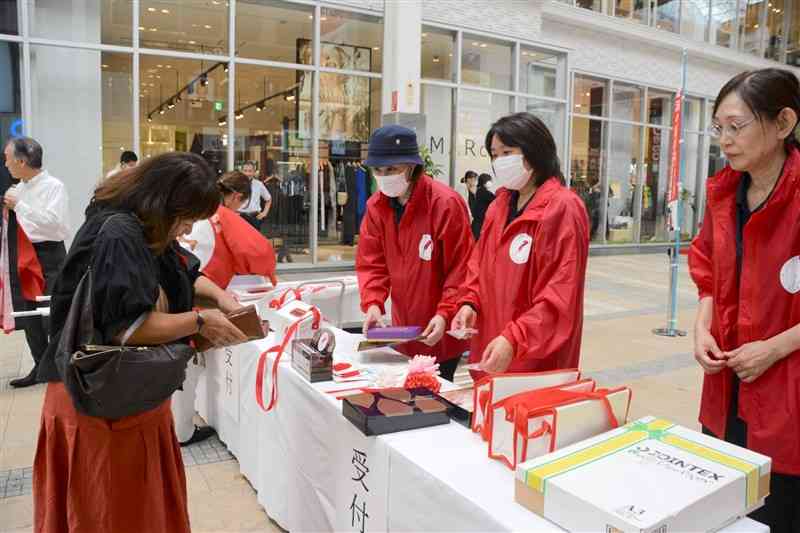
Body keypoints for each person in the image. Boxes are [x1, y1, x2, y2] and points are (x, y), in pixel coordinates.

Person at [33, 152, 248, 533]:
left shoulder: (142, 223)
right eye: (186, 221)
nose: (185, 232)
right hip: (100, 403)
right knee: (111, 513)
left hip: (130, 397)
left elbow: (182, 269)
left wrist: (224, 300)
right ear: (166, 203)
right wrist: (199, 321)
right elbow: (127, 328)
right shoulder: (119, 232)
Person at [689, 68, 800, 533]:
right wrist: (700, 328)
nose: (726, 140)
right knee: (720, 506)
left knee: (775, 513)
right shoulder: (724, 193)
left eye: (737, 126)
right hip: (726, 385)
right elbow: (708, 271)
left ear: (783, 122)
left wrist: (774, 347)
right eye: (719, 128)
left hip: (786, 392)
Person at [452, 112, 590, 377]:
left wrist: (515, 338)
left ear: (534, 151)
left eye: (507, 153)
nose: (499, 162)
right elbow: (477, 265)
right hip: (493, 350)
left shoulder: (563, 209)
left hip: (535, 356)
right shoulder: (499, 206)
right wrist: (470, 303)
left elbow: (560, 295)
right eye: (494, 154)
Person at [356, 125, 473, 382]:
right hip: (404, 330)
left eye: (392, 169)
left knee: (437, 398)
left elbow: (461, 269)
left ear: (410, 167)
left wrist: (444, 313)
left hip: (441, 331)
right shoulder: (376, 207)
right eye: (378, 170)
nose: (384, 176)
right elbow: (371, 263)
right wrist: (374, 304)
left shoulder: (444, 204)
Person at [173, 170, 278, 446]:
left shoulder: (197, 210)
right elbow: (259, 250)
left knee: (180, 356)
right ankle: (181, 430)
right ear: (236, 196)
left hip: (179, 287)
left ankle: (178, 424)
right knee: (188, 357)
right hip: (198, 294)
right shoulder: (223, 214)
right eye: (242, 203)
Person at [3, 137, 70, 388]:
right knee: (29, 315)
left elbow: (56, 225)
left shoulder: (54, 187)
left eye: (8, 159)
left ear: (21, 161)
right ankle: (41, 367)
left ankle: (60, 370)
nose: (6, 164)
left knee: (51, 316)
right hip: (22, 256)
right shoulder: (18, 188)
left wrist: (20, 206)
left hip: (48, 256)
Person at [238, 161, 271, 231]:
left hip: (254, 218)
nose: (247, 173)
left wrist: (264, 213)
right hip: (239, 217)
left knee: (254, 241)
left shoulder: (259, 184)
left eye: (250, 171)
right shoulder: (237, 184)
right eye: (245, 171)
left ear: (254, 172)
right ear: (241, 171)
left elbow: (268, 199)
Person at [470, 173, 496, 239]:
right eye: (490, 181)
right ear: (485, 182)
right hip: (480, 224)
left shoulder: (479, 191)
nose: (491, 182)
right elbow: (495, 200)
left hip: (477, 223)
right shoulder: (484, 192)